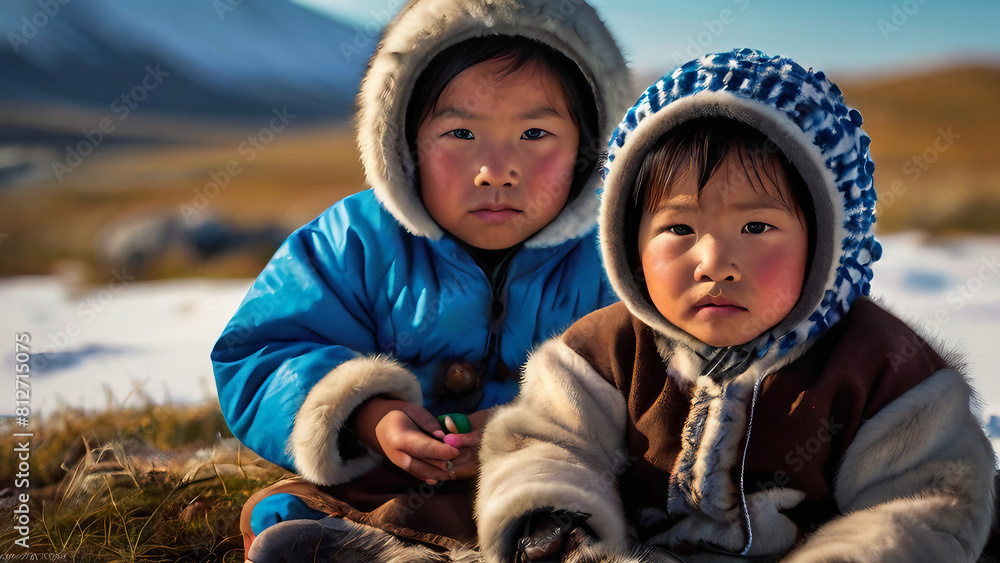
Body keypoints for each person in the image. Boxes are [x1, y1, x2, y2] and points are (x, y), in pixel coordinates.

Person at [476, 48, 996, 562]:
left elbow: (926, 504)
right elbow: (545, 448)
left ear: (827, 245)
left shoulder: (882, 369)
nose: (715, 262)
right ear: (627, 241)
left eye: (757, 227)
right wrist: (557, 528)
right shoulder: (600, 354)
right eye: (678, 228)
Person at [210, 0, 630, 560]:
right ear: (403, 142)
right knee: (286, 512)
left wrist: (540, 428)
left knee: (581, 511)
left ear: (589, 148)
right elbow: (261, 351)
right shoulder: (354, 240)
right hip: (395, 481)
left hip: (559, 480)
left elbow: (663, 372)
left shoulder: (618, 255)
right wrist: (368, 414)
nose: (496, 169)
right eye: (460, 132)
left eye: (534, 133)